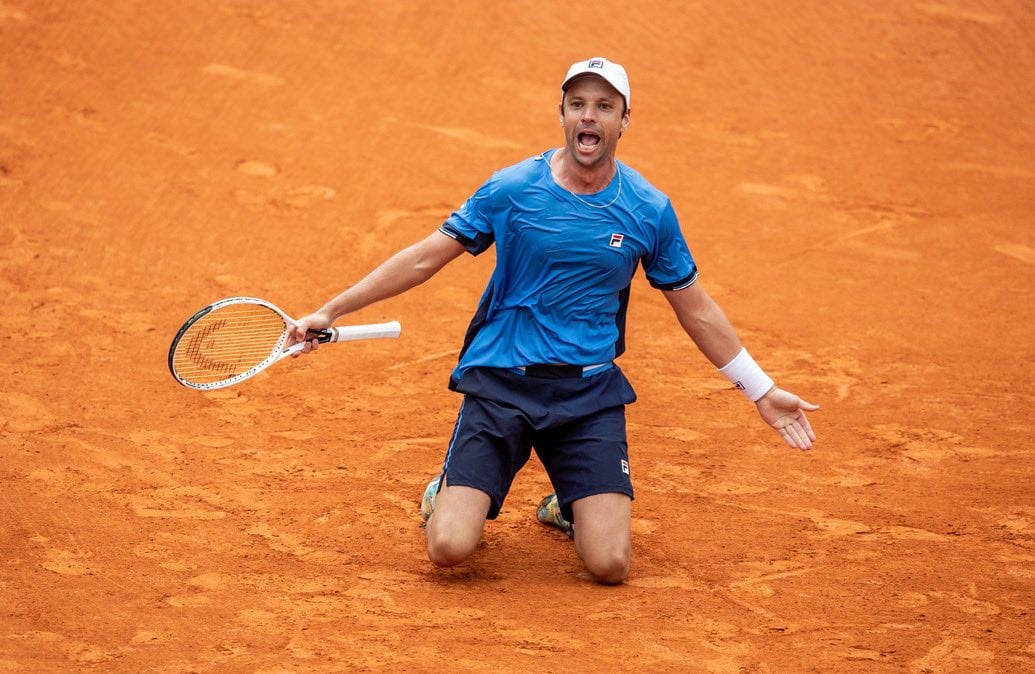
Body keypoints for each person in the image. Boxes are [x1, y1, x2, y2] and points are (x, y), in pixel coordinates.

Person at [288, 57, 819, 585]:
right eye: (578, 105)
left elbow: (696, 308)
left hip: (587, 396)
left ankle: (569, 504)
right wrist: (331, 310)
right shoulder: (512, 189)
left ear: (624, 120)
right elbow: (426, 257)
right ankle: (446, 492)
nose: (589, 117)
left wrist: (760, 389)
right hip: (501, 385)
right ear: (563, 114)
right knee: (449, 549)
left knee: (610, 565)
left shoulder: (648, 209)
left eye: (604, 107)